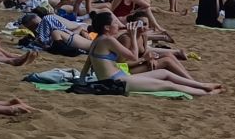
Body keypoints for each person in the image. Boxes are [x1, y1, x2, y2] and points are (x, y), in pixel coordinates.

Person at [84, 11, 223, 96]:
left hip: (119, 77)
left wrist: (81, 79)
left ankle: (201, 85)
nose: (118, 24)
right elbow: (132, 56)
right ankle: (206, 92)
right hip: (116, 82)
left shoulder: (98, 40)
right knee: (168, 84)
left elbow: (88, 61)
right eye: (115, 22)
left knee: (165, 74)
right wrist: (132, 35)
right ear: (107, 27)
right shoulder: (108, 40)